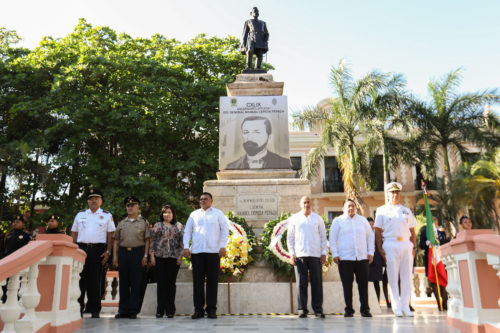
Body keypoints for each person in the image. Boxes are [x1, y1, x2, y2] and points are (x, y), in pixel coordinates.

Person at [183, 192, 229, 319]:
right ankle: (198, 310)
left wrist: (223, 246)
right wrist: (186, 247)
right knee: (197, 282)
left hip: (213, 252)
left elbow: (225, 230)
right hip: (197, 252)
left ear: (211, 201)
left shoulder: (218, 213)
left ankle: (211, 309)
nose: (203, 201)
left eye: (206, 199)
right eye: (201, 199)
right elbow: (187, 231)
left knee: (212, 282)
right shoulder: (194, 214)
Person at [374, 182, 417, 317]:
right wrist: (380, 248)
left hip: (405, 244)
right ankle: (396, 306)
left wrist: (414, 246)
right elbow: (377, 231)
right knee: (392, 277)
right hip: (390, 244)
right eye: (392, 192)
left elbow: (412, 230)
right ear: (387, 194)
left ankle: (405, 306)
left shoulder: (406, 210)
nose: (395, 195)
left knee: (406, 277)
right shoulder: (382, 210)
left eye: (397, 192)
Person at [71, 188, 115, 318]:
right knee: (80, 280)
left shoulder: (107, 215)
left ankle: (95, 309)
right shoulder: (80, 214)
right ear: (88, 201)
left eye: (96, 198)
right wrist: (73, 249)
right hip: (81, 249)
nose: (93, 201)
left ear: (101, 201)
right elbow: (74, 232)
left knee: (96, 280)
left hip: (98, 250)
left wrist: (108, 252)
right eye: (91, 199)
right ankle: (78, 308)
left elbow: (110, 235)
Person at [330, 199, 374, 318]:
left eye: (353, 206)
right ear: (343, 209)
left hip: (362, 258)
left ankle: (365, 309)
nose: (351, 208)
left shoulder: (363, 221)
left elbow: (370, 237)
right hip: (345, 258)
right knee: (347, 286)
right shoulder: (338, 221)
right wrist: (335, 254)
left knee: (363, 285)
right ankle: (349, 309)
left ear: (356, 208)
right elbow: (332, 239)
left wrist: (371, 252)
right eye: (348, 206)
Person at [287, 196, 327, 318]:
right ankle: (302, 309)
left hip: (315, 255)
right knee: (301, 283)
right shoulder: (294, 219)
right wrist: (292, 253)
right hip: (300, 256)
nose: (306, 204)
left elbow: (323, 237)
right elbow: (290, 238)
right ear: (300, 204)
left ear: (311, 204)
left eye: (308, 202)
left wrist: (324, 252)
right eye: (304, 202)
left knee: (317, 283)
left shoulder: (318, 219)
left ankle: (318, 309)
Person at [113, 195, 150, 319]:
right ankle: (123, 310)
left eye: (132, 205)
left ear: (137, 207)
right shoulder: (121, 223)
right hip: (123, 253)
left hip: (138, 253)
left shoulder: (143, 222)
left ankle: (133, 310)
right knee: (123, 282)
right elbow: (116, 241)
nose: (130, 207)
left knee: (136, 282)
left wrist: (145, 255)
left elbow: (147, 240)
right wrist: (115, 256)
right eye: (128, 206)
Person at [149, 205, 184, 318]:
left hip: (173, 258)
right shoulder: (157, 226)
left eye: (169, 212)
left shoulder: (178, 226)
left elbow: (182, 243)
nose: (167, 214)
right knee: (161, 284)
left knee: (170, 284)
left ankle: (170, 310)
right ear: (162, 214)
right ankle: (160, 310)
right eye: (165, 212)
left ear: (173, 214)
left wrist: (180, 256)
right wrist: (152, 256)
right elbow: (152, 242)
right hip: (159, 257)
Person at [225, 116, 290, 169]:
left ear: (269, 138)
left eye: (256, 132)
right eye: (246, 132)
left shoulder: (284, 163)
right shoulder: (231, 167)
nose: (249, 137)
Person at [419, 216, 449, 311]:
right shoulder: (424, 233)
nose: (433, 223)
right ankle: (439, 303)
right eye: (431, 221)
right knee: (433, 282)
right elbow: (421, 245)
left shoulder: (441, 233)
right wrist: (427, 243)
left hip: (440, 260)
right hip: (430, 260)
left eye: (434, 221)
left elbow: (445, 244)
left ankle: (445, 301)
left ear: (436, 222)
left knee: (443, 281)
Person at [2, 215, 32, 303]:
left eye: (18, 222)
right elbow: (3, 249)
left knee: (17, 283)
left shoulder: (26, 236)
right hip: (8, 262)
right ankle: (4, 299)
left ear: (22, 224)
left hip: (19, 264)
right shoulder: (8, 235)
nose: (15, 223)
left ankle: (16, 300)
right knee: (6, 283)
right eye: (14, 222)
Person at [367, 217, 391, 309]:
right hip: (367, 262)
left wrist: (383, 263)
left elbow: (381, 248)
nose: (371, 226)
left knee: (377, 283)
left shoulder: (377, 235)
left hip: (377, 262)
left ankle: (377, 303)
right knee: (367, 283)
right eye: (369, 224)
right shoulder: (363, 235)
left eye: (372, 224)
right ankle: (368, 303)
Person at [241, 7, 269, 71]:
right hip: (252, 38)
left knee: (260, 53)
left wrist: (266, 36)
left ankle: (258, 67)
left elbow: (266, 32)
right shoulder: (248, 21)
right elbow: (244, 34)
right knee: (250, 50)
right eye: (254, 11)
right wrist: (243, 45)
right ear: (251, 13)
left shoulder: (263, 22)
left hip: (261, 39)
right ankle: (248, 66)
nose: (256, 13)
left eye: (257, 11)